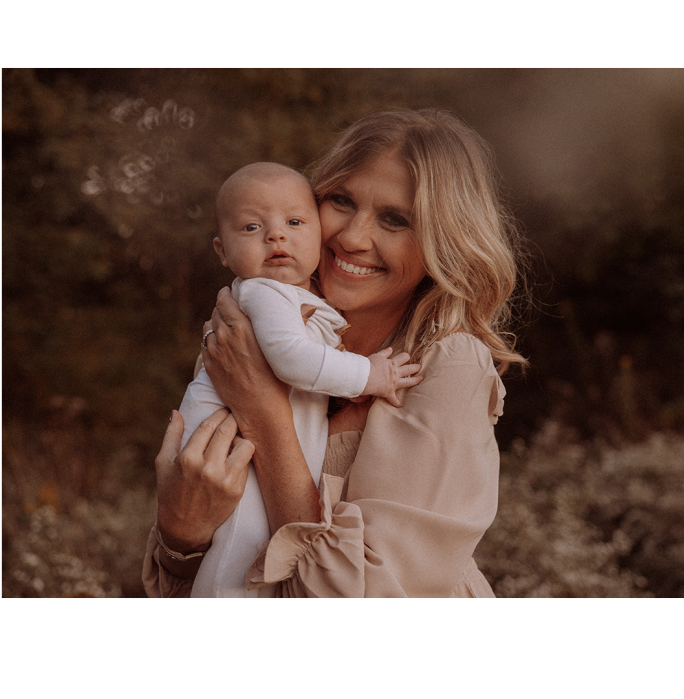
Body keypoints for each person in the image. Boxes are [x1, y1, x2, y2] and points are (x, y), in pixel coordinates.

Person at [145, 108, 525, 597]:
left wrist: (265, 412)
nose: (351, 237)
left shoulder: (447, 366)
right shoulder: (271, 329)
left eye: (395, 219)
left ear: (441, 242)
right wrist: (181, 532)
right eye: (341, 201)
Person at [179, 162, 421, 597]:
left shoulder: (295, 297)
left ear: (316, 234)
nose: (276, 235)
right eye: (252, 227)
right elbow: (292, 359)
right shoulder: (266, 292)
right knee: (244, 542)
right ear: (222, 250)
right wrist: (371, 375)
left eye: (294, 222)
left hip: (245, 442)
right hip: (231, 446)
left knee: (252, 544)